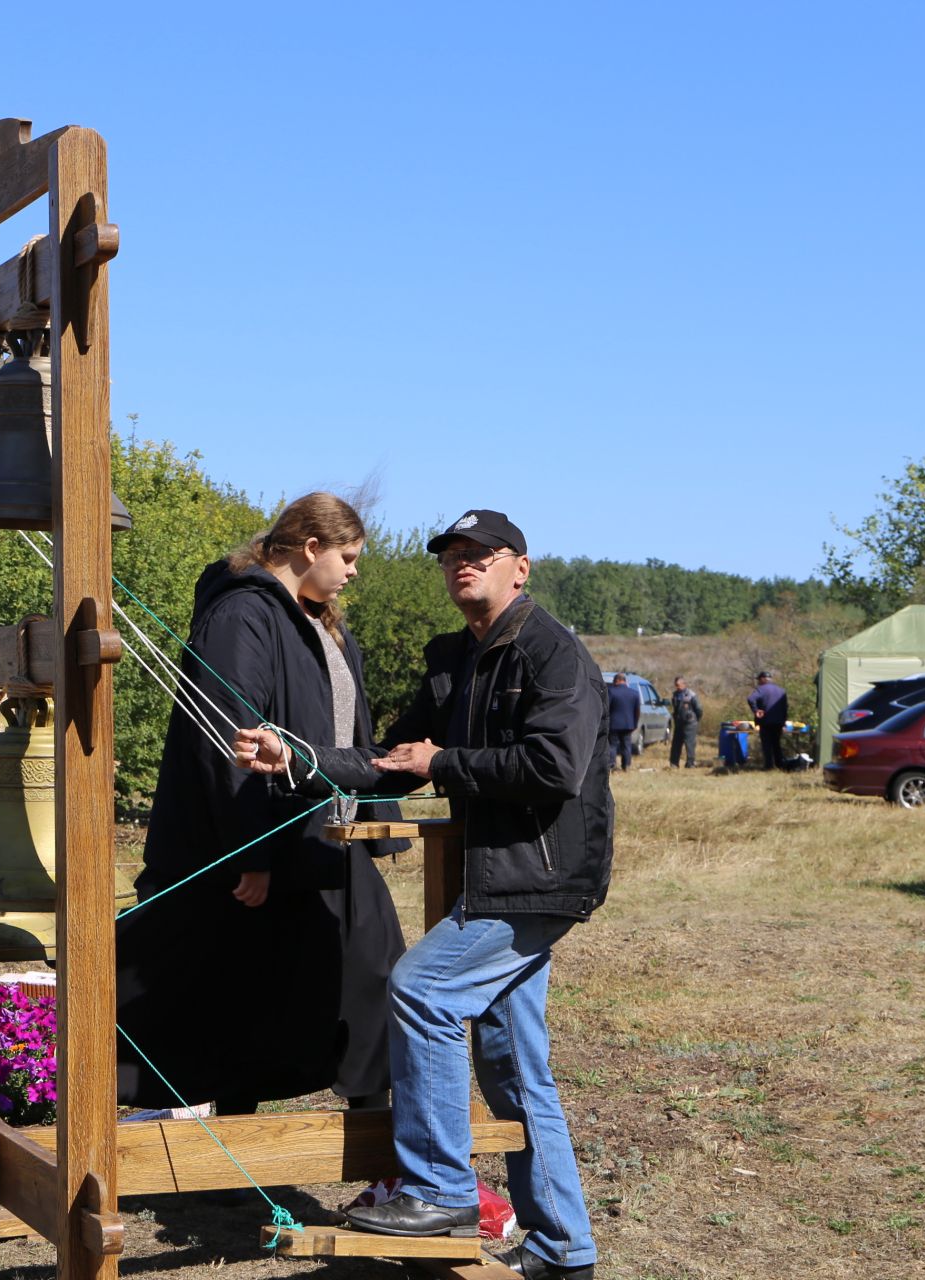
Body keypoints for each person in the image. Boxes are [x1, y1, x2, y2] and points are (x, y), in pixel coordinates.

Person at [235, 507, 610, 1280]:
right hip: (500, 874)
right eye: (451, 556)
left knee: (424, 989)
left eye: (480, 553)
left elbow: (554, 769)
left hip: (540, 878)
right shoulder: (455, 660)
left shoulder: (552, 653)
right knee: (511, 1065)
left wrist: (446, 763)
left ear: (521, 567)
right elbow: (388, 758)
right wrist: (296, 758)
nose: (461, 565)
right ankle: (564, 1247)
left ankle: (439, 1189)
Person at [115, 492, 406, 1118]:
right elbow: (224, 740)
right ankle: (242, 1142)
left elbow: (344, 730)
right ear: (310, 547)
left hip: (327, 836)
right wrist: (254, 851)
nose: (354, 571)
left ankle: (374, 1128)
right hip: (268, 841)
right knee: (243, 987)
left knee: (366, 973)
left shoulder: (320, 620)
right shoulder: (242, 615)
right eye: (348, 556)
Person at [747, 671, 788, 770]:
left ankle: (769, 766)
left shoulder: (761, 689)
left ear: (762, 679)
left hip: (765, 721)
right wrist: (784, 721)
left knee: (767, 744)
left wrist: (756, 710)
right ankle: (780, 764)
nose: (758, 682)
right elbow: (785, 707)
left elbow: (750, 699)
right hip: (778, 722)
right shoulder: (781, 691)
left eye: (758, 680)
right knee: (776, 744)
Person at [603, 673, 640, 771]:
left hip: (614, 724)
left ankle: (612, 764)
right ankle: (626, 765)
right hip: (628, 724)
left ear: (617, 681)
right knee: (626, 745)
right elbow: (637, 711)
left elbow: (606, 708)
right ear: (624, 681)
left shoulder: (611, 692)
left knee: (612, 745)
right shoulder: (634, 693)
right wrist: (635, 723)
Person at [669, 676, 701, 768]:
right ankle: (674, 763)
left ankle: (690, 763)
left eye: (679, 685)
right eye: (676, 685)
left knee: (689, 744)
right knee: (676, 744)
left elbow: (699, 709)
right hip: (679, 723)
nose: (677, 687)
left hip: (690, 723)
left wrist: (695, 719)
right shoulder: (675, 695)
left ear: (684, 684)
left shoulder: (691, 695)